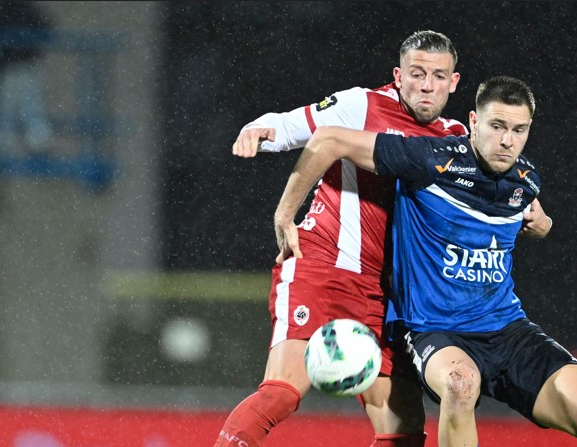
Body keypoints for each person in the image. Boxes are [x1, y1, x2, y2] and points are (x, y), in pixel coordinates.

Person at [217, 31, 553, 447]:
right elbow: (285, 126)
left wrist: (537, 214)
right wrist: (257, 133)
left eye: (438, 76)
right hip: (324, 268)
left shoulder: (458, 143)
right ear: (398, 75)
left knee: (404, 429)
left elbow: (507, 190)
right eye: (417, 74)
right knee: (282, 392)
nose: (426, 85)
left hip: (387, 296)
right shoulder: (361, 105)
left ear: (454, 82)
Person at [274, 76, 577, 447]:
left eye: (519, 130)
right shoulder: (429, 160)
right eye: (497, 126)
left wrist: (545, 224)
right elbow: (329, 139)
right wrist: (285, 215)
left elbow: (531, 214)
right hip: (436, 332)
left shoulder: (525, 180)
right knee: (461, 385)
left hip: (507, 330)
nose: (507, 140)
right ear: (473, 121)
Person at [0, 1, 53, 155]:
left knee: (7, 108)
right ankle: (38, 141)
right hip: (27, 65)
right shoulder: (27, 9)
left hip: (10, 67)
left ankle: (5, 145)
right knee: (30, 106)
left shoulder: (2, 8)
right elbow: (47, 27)